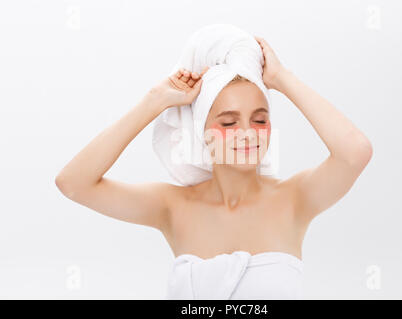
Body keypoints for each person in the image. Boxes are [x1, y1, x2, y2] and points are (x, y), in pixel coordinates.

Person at [55, 36, 372, 299]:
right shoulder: (173, 206)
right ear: (201, 133)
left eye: (259, 119)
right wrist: (154, 101)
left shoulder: (295, 199)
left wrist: (282, 79)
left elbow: (355, 153)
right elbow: (73, 183)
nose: (247, 133)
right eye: (229, 122)